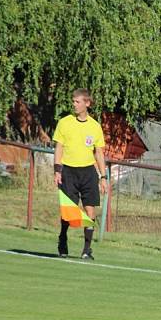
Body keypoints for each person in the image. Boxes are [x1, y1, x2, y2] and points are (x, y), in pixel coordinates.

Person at [52, 88, 107, 260]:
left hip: (88, 173)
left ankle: (86, 249)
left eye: (78, 102)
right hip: (68, 171)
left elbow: (99, 153)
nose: (74, 105)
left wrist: (103, 177)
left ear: (87, 103)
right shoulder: (65, 123)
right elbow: (59, 148)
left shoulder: (95, 126)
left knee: (90, 210)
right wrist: (57, 170)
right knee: (69, 212)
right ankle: (62, 238)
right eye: (73, 102)